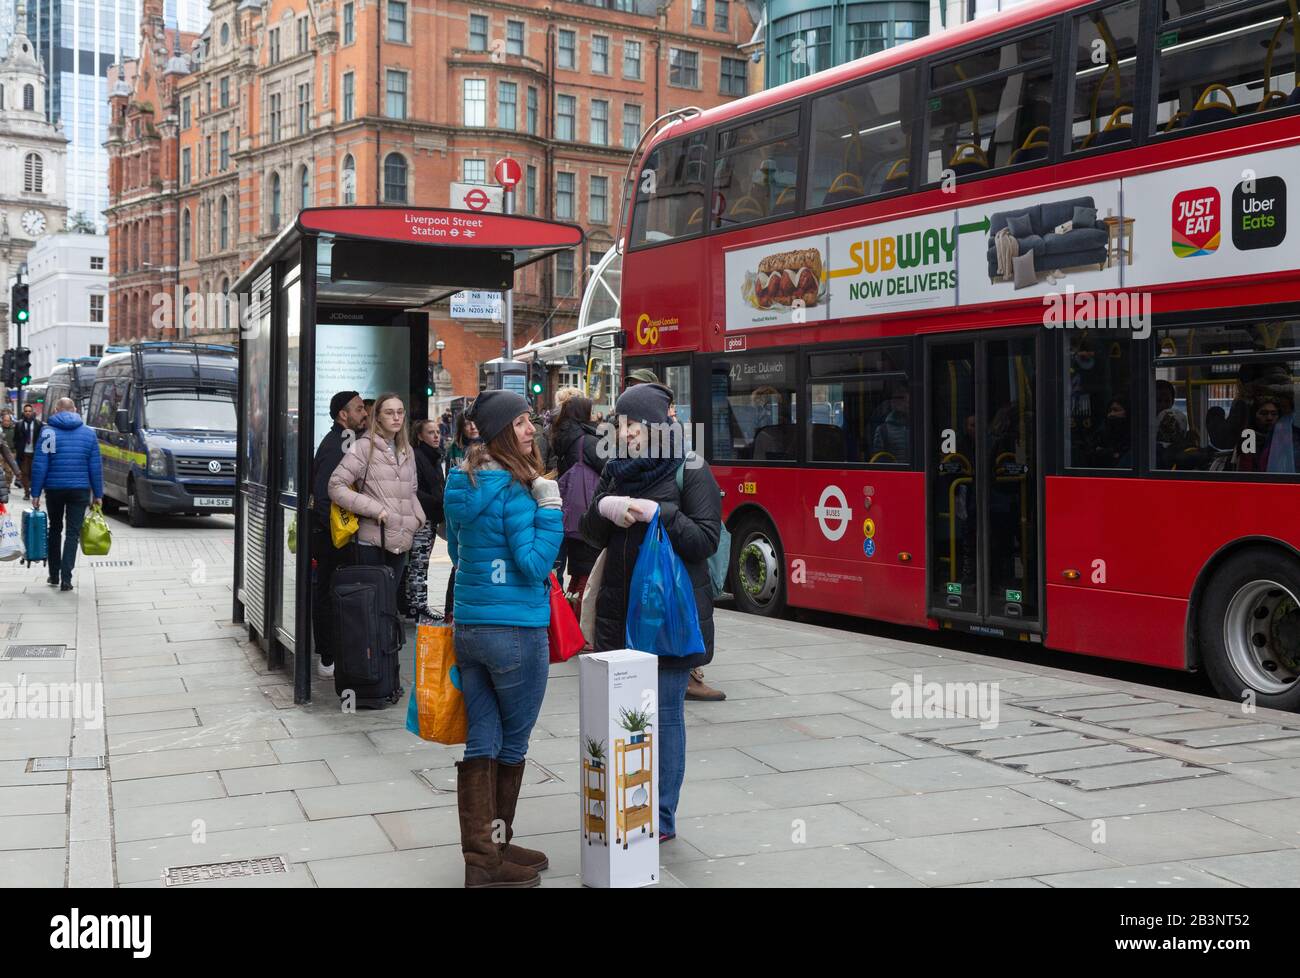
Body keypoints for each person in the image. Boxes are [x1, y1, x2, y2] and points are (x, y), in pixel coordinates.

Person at [580, 383, 722, 843]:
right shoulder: (616, 469)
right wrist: (607, 507)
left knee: (662, 714)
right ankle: (625, 802)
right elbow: (589, 533)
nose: (624, 434)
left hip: (668, 618)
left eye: (633, 426)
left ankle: (660, 817)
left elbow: (706, 540)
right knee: (620, 717)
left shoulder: (692, 469)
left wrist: (657, 513)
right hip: (618, 613)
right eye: (619, 425)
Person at [443, 389, 563, 888]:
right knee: (512, 741)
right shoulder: (517, 490)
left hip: (469, 628)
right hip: (515, 632)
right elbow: (535, 564)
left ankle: (485, 857)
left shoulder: (459, 481)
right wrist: (551, 506)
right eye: (520, 423)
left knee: (483, 738)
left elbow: (454, 548)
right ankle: (491, 853)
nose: (531, 429)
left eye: (529, 420)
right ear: (499, 433)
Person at [328, 391, 425, 617]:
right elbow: (336, 485)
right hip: (372, 541)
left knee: (388, 607)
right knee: (371, 608)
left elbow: (411, 491)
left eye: (400, 412)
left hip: (400, 539)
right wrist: (375, 509)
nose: (396, 417)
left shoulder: (407, 450)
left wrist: (416, 519)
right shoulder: (364, 447)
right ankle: (369, 652)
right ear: (378, 417)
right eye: (389, 412)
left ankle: (385, 651)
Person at [309, 390, 367, 679]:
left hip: (339, 534)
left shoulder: (348, 441)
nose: (364, 414)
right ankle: (328, 656)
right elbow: (322, 496)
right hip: (333, 537)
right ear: (343, 415)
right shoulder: (337, 446)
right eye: (358, 409)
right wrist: (339, 534)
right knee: (328, 594)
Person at [30, 398, 103, 591]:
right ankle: (66, 579)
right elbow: (95, 466)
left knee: (54, 529)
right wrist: (98, 493)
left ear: (56, 410)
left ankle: (53, 575)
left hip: (54, 489)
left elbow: (40, 464)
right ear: (75, 410)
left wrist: (35, 492)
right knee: (72, 533)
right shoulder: (89, 434)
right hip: (79, 490)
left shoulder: (48, 432)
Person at [551, 394, 607, 609]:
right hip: (588, 510)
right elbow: (609, 467)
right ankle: (580, 625)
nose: (594, 415)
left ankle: (571, 620)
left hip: (571, 511)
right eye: (590, 411)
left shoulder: (564, 437)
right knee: (589, 571)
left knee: (577, 571)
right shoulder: (588, 440)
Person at [406, 418, 446, 618]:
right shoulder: (417, 457)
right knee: (419, 563)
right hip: (421, 517)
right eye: (431, 432)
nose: (436, 436)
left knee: (422, 562)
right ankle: (417, 606)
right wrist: (437, 502)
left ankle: (416, 603)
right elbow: (414, 489)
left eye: (437, 431)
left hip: (430, 516)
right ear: (420, 436)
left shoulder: (435, 457)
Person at [13, 404, 42, 500]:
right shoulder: (19, 424)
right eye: (26, 411)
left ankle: (34, 492)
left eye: (29, 411)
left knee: (33, 473)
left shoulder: (38, 423)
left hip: (35, 452)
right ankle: (26, 492)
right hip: (24, 453)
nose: (28, 413)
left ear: (33, 412)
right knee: (24, 473)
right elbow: (15, 438)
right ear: (23, 412)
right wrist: (17, 448)